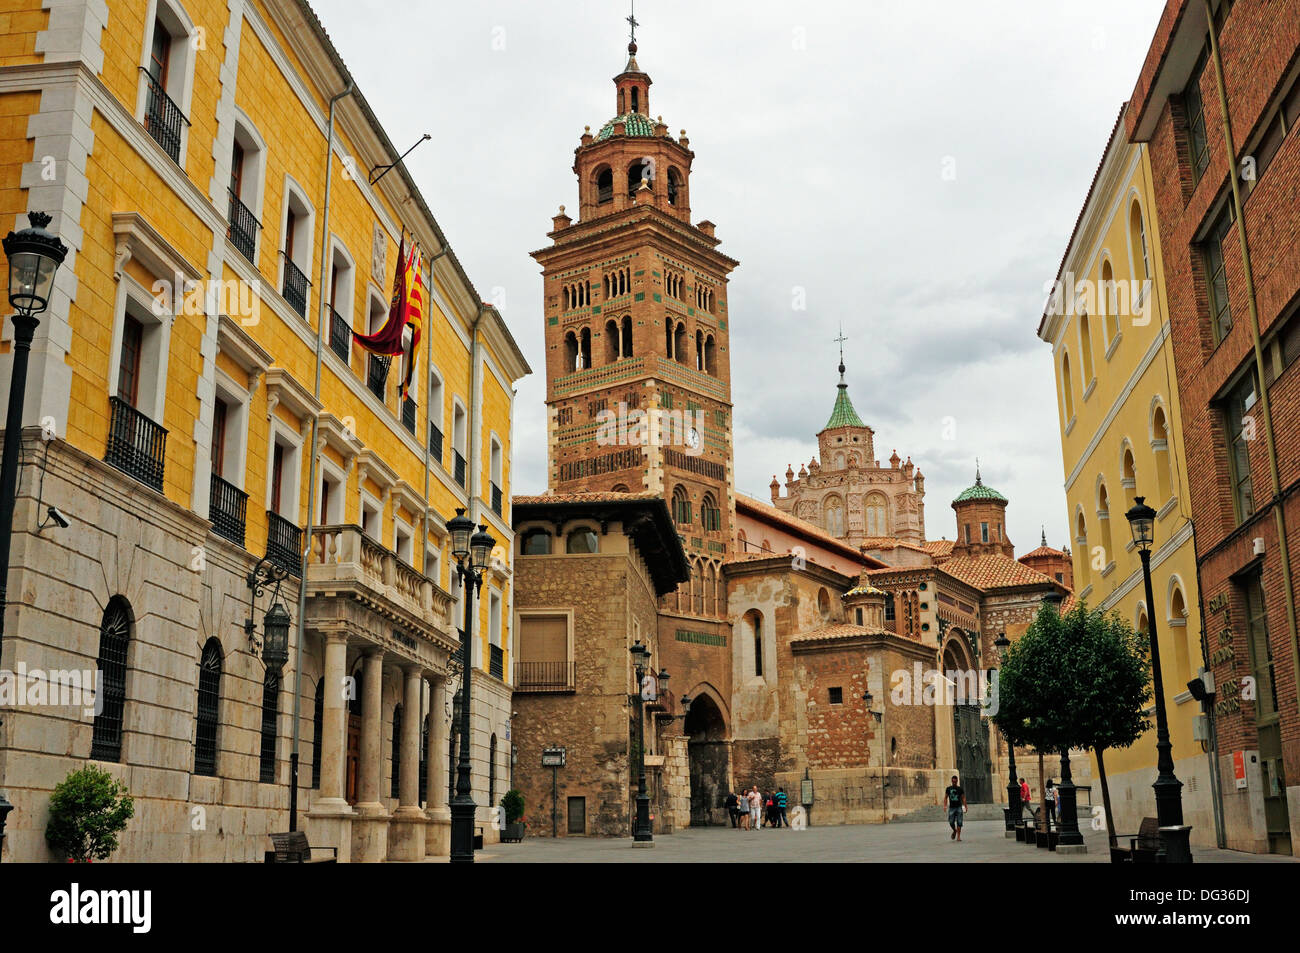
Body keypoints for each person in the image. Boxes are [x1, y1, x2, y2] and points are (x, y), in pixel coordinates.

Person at [944, 774, 966, 842]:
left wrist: (965, 806)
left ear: (957, 781)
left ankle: (958, 837)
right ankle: (954, 830)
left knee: (959, 822)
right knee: (951, 822)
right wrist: (945, 805)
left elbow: (963, 798)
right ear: (951, 781)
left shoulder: (960, 789)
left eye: (955, 782)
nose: (954, 783)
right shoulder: (948, 789)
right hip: (952, 808)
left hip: (959, 807)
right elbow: (945, 797)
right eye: (953, 782)